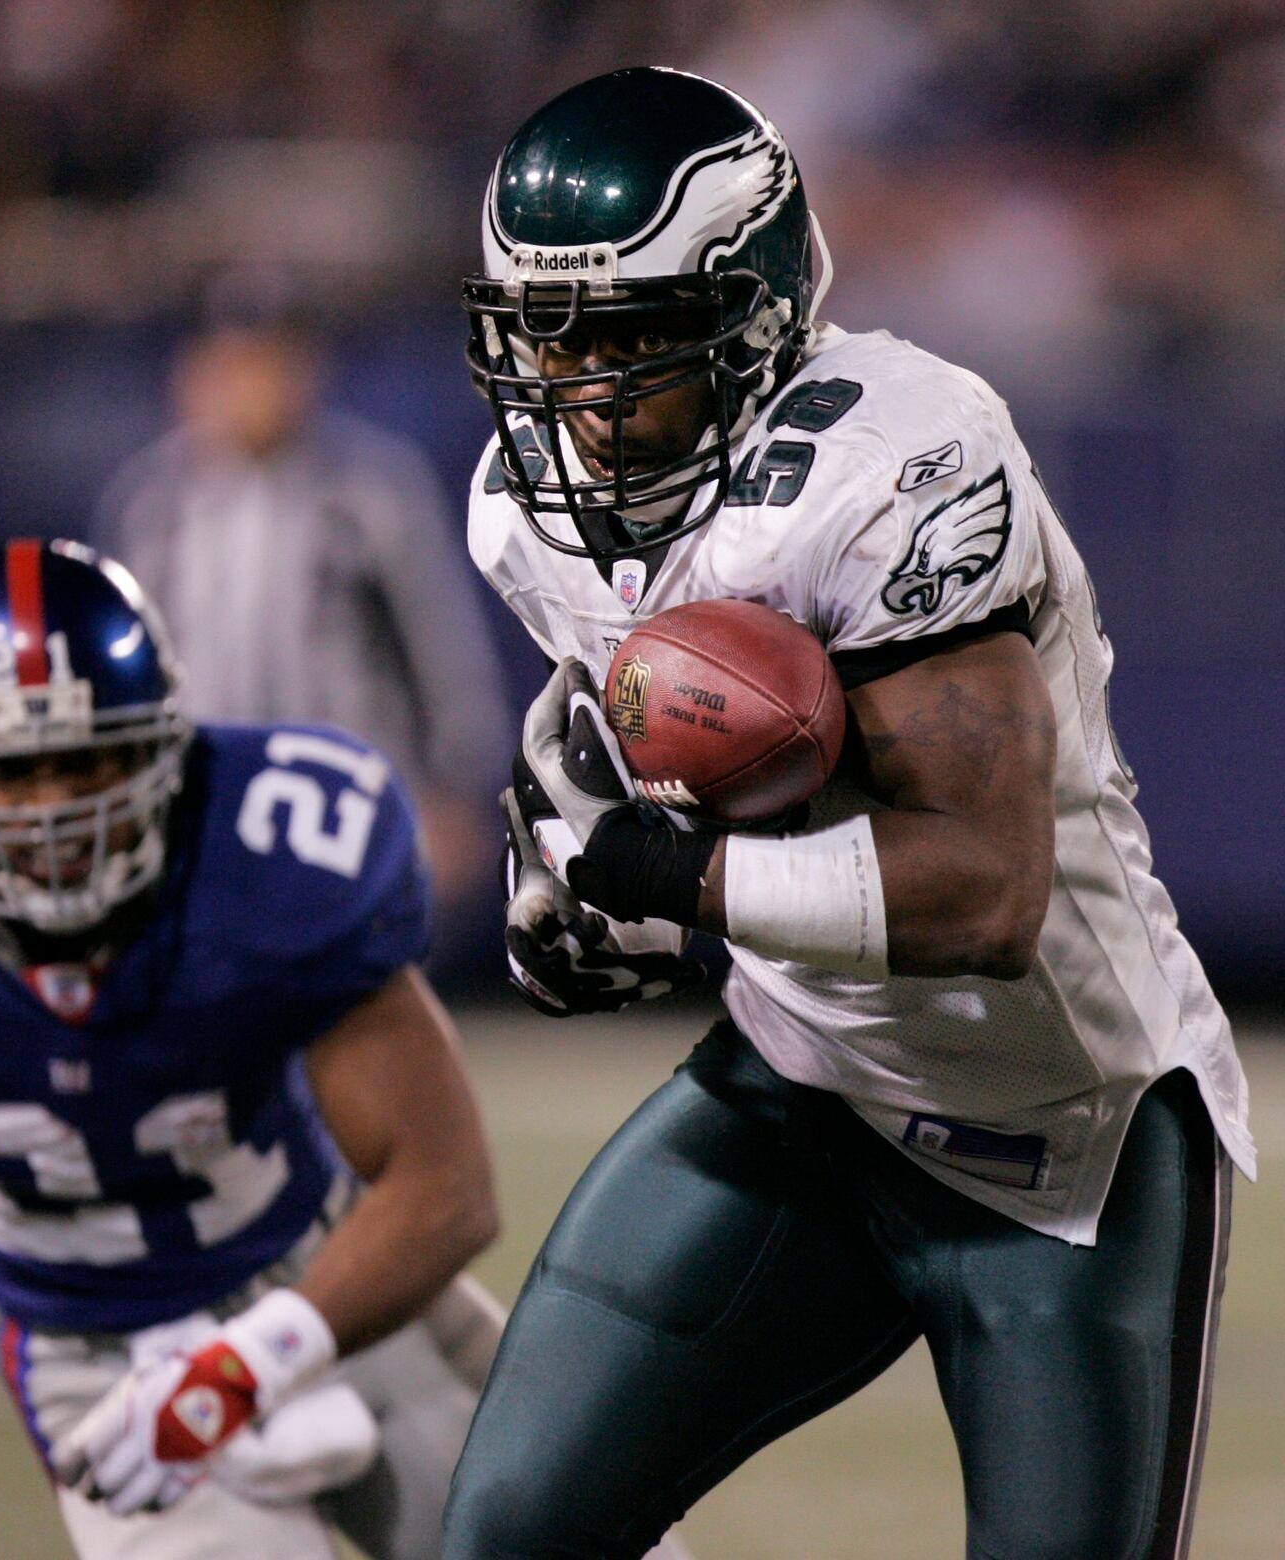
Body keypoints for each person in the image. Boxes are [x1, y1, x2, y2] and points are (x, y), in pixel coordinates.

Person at [443, 66, 1255, 1560]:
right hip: (798, 1088)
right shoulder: (523, 501)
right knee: (500, 1537)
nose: (587, 396)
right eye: (550, 344)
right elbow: (610, 724)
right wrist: (559, 872)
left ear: (751, 316)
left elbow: (986, 897)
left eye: (632, 342)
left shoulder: (896, 467)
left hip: (1059, 1138)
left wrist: (664, 875)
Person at [0, 538, 506, 1560]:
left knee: (582, 1531)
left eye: (83, 760)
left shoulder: (266, 852)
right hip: (99, 1361)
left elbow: (446, 1189)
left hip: (328, 1286)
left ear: (163, 750)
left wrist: (245, 1367)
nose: (52, 809)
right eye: (5, 773)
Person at [93, 279, 513, 954]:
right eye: (237, 364)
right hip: (199, 807)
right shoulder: (152, 502)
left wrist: (457, 787)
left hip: (350, 806)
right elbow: (126, 672)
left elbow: (442, 649)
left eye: (272, 362)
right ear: (194, 374)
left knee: (349, 1013)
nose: (255, 385)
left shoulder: (373, 486)